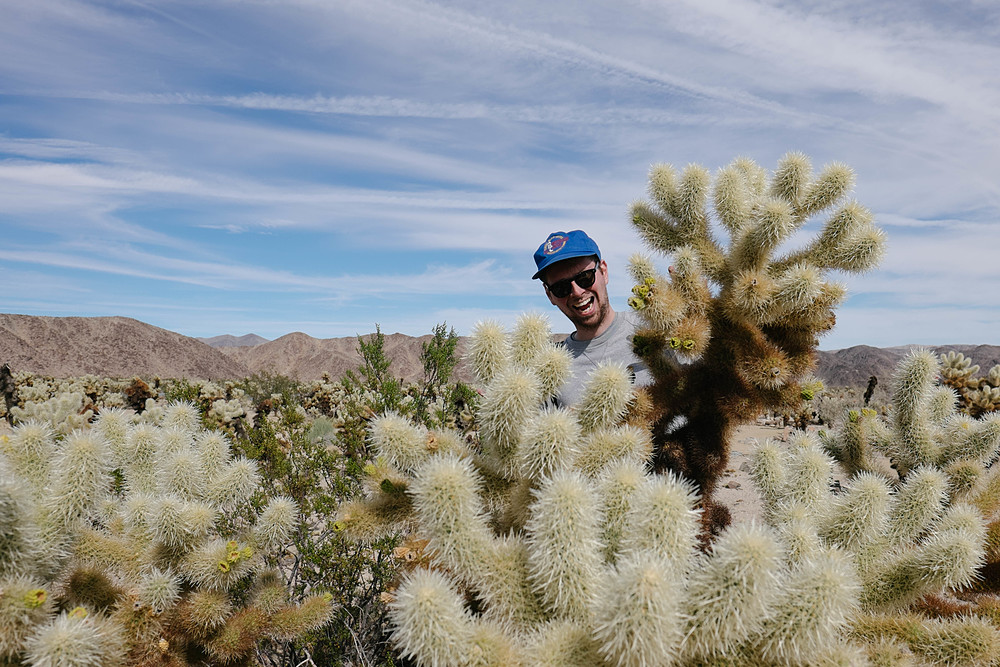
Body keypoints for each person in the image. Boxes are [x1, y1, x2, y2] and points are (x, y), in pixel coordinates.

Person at [532, 229, 653, 407]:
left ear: (603, 271)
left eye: (585, 278)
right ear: (549, 295)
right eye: (561, 288)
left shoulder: (657, 329)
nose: (577, 292)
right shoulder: (550, 367)